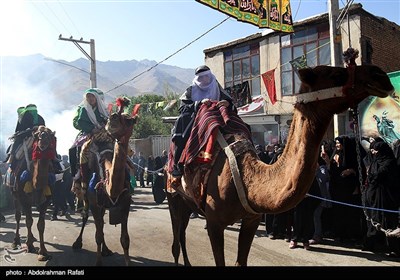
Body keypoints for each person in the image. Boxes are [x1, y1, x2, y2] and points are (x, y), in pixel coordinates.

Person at [170, 65, 234, 178]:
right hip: (196, 118)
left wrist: (227, 103)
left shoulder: (217, 87)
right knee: (183, 131)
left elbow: (229, 101)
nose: (204, 79)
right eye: (201, 77)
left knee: (241, 127)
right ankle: (178, 165)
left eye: (206, 76)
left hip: (217, 116)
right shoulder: (190, 90)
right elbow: (183, 108)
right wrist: (199, 103)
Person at [70, 88, 113, 192]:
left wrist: (104, 126)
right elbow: (80, 122)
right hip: (87, 133)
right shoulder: (83, 109)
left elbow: (108, 120)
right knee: (74, 148)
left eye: (92, 96)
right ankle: (77, 174)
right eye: (88, 97)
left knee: (117, 146)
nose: (90, 98)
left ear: (96, 97)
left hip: (103, 133)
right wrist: (91, 129)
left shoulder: (103, 109)